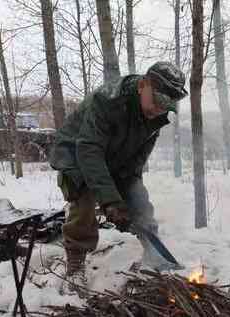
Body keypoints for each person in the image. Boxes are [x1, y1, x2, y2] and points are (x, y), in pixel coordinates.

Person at [49, 61, 188, 295]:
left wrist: (131, 203)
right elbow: (89, 149)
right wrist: (111, 202)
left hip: (114, 157)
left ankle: (155, 255)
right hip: (77, 153)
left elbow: (135, 164)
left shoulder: (156, 117)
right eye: (158, 102)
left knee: (140, 202)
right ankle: (75, 266)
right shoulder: (107, 101)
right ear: (143, 85)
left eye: (166, 106)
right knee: (84, 200)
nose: (159, 110)